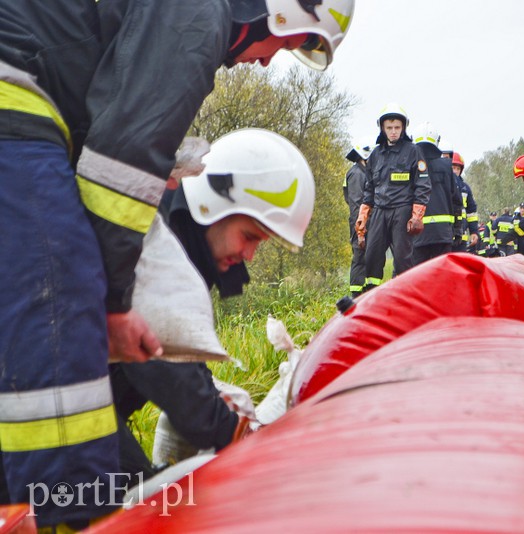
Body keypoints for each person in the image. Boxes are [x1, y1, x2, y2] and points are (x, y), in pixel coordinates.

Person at [0, 0, 354, 527]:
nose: (265, 62)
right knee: (63, 306)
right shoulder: (198, 14)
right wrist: (113, 307)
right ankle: (69, 510)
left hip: (29, 98)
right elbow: (123, 158)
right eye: (288, 41)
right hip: (17, 105)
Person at [111, 128, 314, 478]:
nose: (249, 254)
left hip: (81, 407)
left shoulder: (185, 244)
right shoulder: (154, 241)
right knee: (133, 506)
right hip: (44, 408)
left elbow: (181, 356)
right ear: (211, 206)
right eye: (249, 236)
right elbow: (170, 372)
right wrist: (239, 434)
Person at [356, 103, 431, 290]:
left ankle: (405, 295)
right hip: (380, 212)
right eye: (389, 128)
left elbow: (423, 185)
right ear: (382, 128)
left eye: (397, 127)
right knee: (372, 255)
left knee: (403, 257)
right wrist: (363, 218)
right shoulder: (375, 155)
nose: (393, 132)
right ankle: (371, 293)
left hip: (402, 211)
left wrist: (416, 216)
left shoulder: (413, 151)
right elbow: (369, 189)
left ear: (403, 127)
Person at [410, 122, 462, 265]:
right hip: (443, 234)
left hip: (418, 235)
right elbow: (456, 200)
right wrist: (457, 229)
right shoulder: (446, 166)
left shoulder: (411, 166)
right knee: (443, 275)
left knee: (419, 278)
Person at [343, 141, 372, 296]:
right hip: (359, 223)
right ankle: (356, 296)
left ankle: (364, 294)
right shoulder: (356, 174)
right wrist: (360, 229)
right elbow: (355, 204)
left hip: (364, 221)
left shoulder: (362, 172)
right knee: (359, 258)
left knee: (367, 258)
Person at [451, 152, 480, 253]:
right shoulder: (441, 185)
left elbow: (471, 213)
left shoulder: (465, 188)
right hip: (445, 236)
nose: (455, 171)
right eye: (453, 168)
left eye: (458, 169)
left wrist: (474, 232)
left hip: (461, 237)